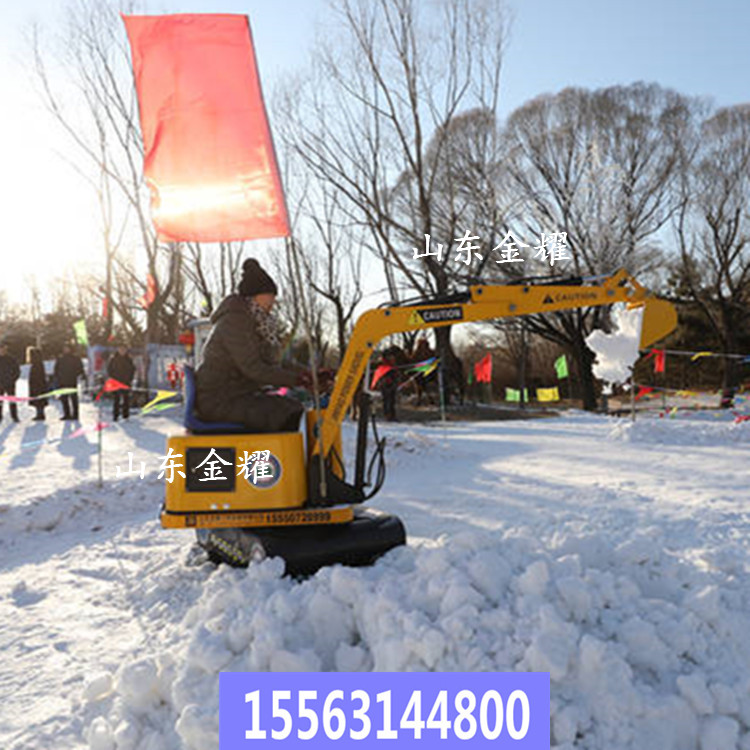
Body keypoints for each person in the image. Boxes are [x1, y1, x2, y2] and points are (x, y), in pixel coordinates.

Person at [196, 258, 305, 433]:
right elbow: (253, 368)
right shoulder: (235, 322)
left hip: (234, 394)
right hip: (218, 400)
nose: (273, 301)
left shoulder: (254, 323)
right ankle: (272, 460)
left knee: (290, 408)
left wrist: (307, 374)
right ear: (254, 296)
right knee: (284, 412)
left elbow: (273, 362)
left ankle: (275, 459)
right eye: (270, 295)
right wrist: (297, 380)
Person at [54, 344, 85, 420]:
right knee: (64, 398)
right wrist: (57, 376)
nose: (65, 350)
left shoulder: (75, 358)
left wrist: (75, 374)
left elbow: (80, 368)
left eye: (67, 348)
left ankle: (75, 414)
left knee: (73, 398)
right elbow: (56, 368)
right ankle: (66, 414)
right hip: (62, 380)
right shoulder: (60, 358)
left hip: (71, 380)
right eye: (64, 348)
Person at [107, 344, 135, 421]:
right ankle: (115, 415)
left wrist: (130, 378)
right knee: (116, 399)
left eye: (124, 349)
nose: (122, 351)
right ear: (118, 350)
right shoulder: (113, 359)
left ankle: (125, 415)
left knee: (126, 399)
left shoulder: (129, 359)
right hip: (116, 382)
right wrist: (113, 378)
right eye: (120, 349)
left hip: (126, 382)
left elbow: (132, 370)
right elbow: (109, 369)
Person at [0, 341, 20, 423]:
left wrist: (13, 380)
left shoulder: (11, 359)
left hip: (10, 384)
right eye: (1, 349)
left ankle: (14, 416)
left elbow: (17, 371)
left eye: (4, 349)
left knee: (12, 401)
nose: (2, 350)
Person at [27, 347, 48, 421]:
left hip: (37, 385)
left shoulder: (36, 364)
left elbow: (37, 376)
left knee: (38, 400)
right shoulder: (38, 364)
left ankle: (40, 414)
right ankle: (40, 413)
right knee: (39, 400)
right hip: (39, 385)